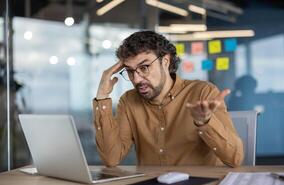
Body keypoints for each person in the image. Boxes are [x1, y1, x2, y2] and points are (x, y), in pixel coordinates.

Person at [93, 30, 244, 167]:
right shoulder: (128, 101)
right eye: (130, 71)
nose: (137, 79)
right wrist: (102, 97)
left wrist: (205, 122)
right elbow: (111, 159)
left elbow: (235, 159)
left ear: (165, 61)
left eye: (144, 67)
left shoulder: (203, 92)